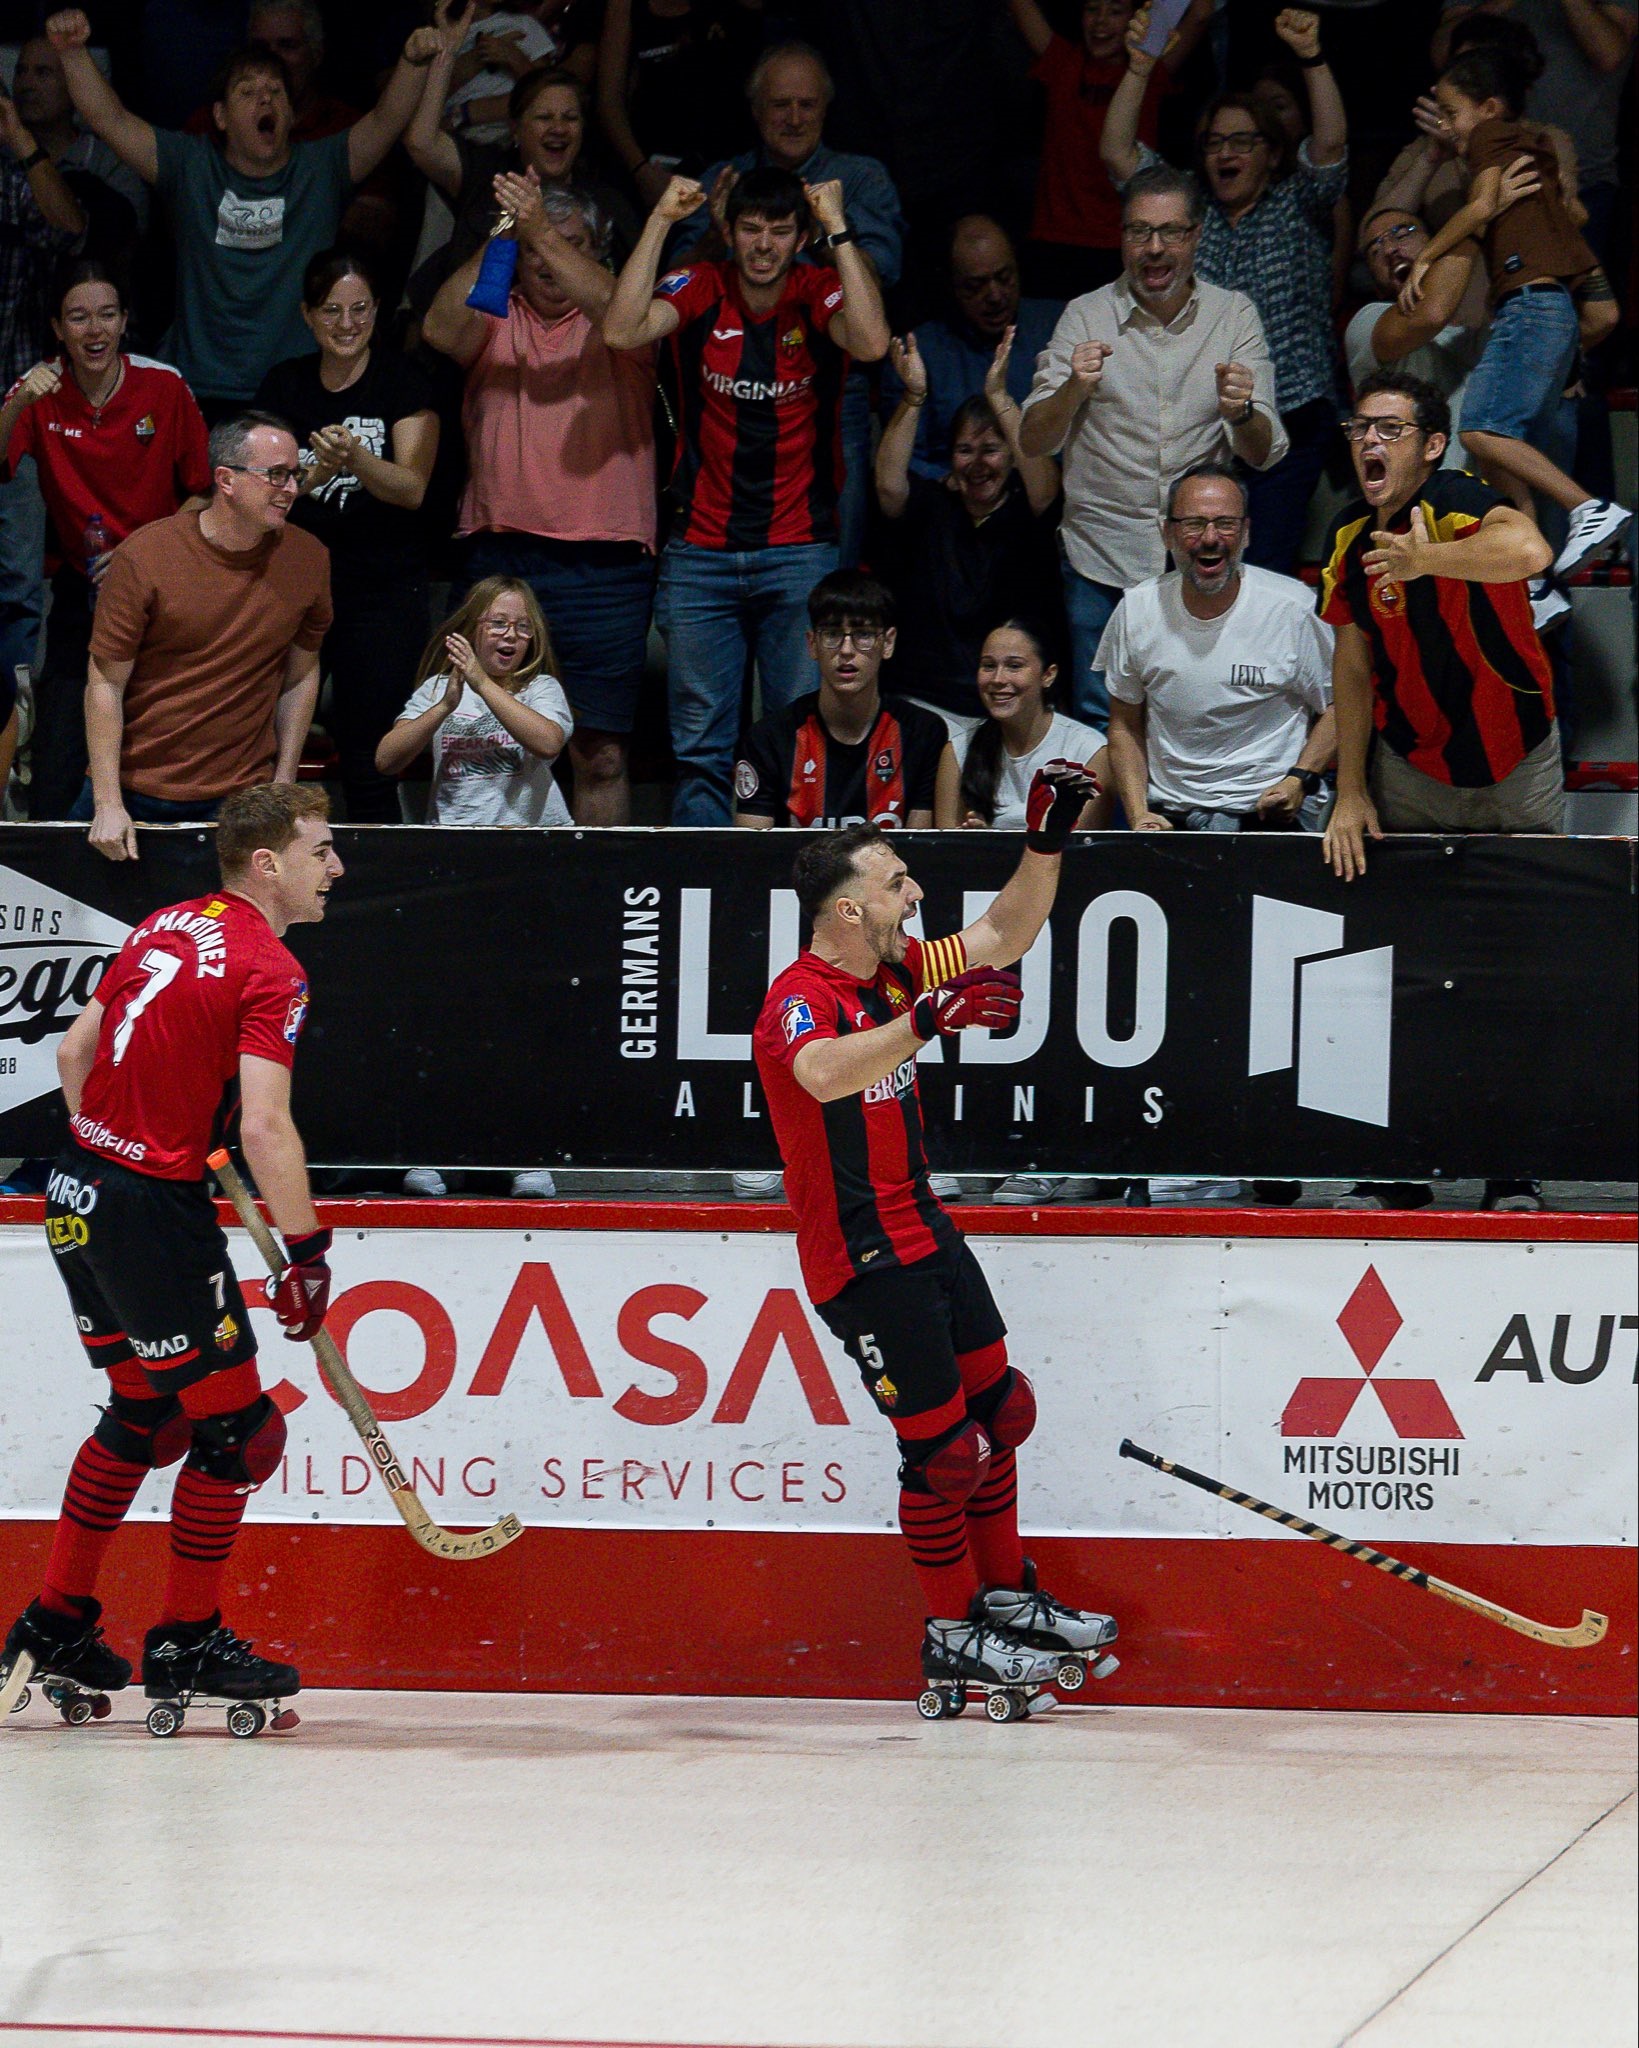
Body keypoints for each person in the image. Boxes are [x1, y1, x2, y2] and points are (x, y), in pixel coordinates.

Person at [753, 783, 1121, 1711]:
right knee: (945, 1455)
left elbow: (1001, 934)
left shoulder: (897, 971)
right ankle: (953, 1638)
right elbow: (821, 1073)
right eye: (896, 882)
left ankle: (1005, 1601)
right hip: (862, 1262)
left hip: (926, 1231)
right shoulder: (798, 1000)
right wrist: (926, 1022)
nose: (913, 893)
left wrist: (1045, 843)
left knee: (1003, 1412)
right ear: (849, 910)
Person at [0, 783, 342, 1728]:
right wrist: (306, 1253)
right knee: (241, 1434)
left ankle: (55, 1622)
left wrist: (111, 1157)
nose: (336, 867)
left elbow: (74, 1056)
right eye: (319, 851)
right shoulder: (271, 968)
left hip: (76, 1188)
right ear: (267, 864)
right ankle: (188, 1638)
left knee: (146, 1416)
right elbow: (265, 1127)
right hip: (147, 1213)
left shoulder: (163, 922)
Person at [1319, 369, 1554, 1212]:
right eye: (1360, 428)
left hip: (1514, 761)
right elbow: (1351, 667)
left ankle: (1511, 1171)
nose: (1369, 442)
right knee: (1403, 970)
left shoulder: (1456, 504)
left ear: (1429, 446)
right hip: (1410, 767)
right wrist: (1349, 790)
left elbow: (1529, 553)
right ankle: (1401, 1170)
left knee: (1512, 971)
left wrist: (1426, 560)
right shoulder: (1349, 536)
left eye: (1389, 429)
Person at [603, 167, 890, 826]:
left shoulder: (818, 292)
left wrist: (838, 227)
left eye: (780, 231)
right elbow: (620, 330)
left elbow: (873, 341)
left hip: (798, 550)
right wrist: (660, 220)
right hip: (700, 552)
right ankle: (705, 879)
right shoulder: (700, 286)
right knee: (701, 748)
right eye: (751, 229)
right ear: (729, 232)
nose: (763, 245)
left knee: (800, 739)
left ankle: (798, 879)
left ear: (800, 238)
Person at [44, 9, 439, 412]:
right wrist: (72, 52)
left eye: (276, 92)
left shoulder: (323, 166)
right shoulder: (190, 164)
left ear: (290, 114)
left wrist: (412, 63)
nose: (265, 99)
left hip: (295, 385)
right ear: (220, 115)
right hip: (197, 382)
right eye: (248, 92)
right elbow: (110, 119)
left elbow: (387, 120)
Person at [425, 170, 656, 827]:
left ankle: (591, 889)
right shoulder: (494, 316)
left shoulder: (625, 320)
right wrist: (506, 230)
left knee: (599, 754)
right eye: (534, 248)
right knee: (477, 743)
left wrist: (536, 231)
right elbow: (439, 328)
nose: (549, 260)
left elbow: (618, 310)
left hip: (604, 568)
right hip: (499, 559)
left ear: (597, 252)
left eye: (570, 244)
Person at [1019, 163, 1283, 729]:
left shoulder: (1232, 314)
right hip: (1100, 554)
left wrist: (1241, 412)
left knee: (1197, 712)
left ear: (1196, 236)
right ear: (1122, 237)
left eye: (1170, 232)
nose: (1154, 248)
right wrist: (1072, 389)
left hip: (1198, 555)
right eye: (1140, 232)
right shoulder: (1085, 315)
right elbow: (1033, 438)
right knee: (1099, 716)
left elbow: (1263, 451)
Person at [1102, 7, 1348, 576]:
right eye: (1214, 142)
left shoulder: (1299, 202)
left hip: (1290, 416)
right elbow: (1117, 153)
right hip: (1202, 424)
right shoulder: (1186, 208)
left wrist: (1311, 57)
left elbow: (1332, 144)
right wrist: (1138, 68)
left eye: (1241, 141)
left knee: (1262, 570)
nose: (1225, 154)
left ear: (1273, 151)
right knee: (1195, 572)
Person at [669, 41, 905, 569]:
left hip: (829, 385)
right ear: (756, 110)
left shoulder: (859, 178)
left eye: (807, 104)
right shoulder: (722, 179)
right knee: (719, 544)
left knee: (832, 561)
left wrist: (820, 230)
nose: (794, 118)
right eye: (781, 105)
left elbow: (877, 279)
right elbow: (670, 281)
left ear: (826, 108)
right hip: (723, 387)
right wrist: (716, 235)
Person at [1397, 45, 1629, 577]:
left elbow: (1481, 206)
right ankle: (1534, 580)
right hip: (1551, 313)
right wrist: (1564, 356)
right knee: (1496, 452)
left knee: (1481, 431)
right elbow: (1603, 309)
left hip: (1528, 308)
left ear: (1489, 108)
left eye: (1452, 112)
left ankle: (1588, 508)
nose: (1447, 126)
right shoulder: (1538, 155)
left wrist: (1426, 258)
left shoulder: (1489, 137)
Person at [0, 255, 211, 819]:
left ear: (124, 321)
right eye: (78, 317)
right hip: (83, 585)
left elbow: (207, 492)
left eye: (107, 314)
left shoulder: (164, 386)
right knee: (57, 764)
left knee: (157, 747)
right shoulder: (38, 389)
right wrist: (17, 403)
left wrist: (143, 553)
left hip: (162, 583)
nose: (94, 330)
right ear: (57, 327)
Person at [78, 410, 332, 859]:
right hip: (137, 790)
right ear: (226, 480)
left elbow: (302, 673)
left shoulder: (309, 558)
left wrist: (284, 782)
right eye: (276, 475)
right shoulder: (147, 555)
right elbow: (105, 681)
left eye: (296, 474)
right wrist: (108, 803)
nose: (291, 488)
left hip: (244, 798)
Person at [256, 249, 439, 824]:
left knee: (369, 756)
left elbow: (412, 488)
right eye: (331, 310)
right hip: (292, 591)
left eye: (360, 309)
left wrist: (355, 458)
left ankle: (372, 874)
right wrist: (314, 474)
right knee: (264, 746)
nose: (346, 323)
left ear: (378, 310)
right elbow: (260, 493)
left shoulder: (404, 382)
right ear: (307, 315)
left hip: (381, 596)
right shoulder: (284, 385)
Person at [1102, 460, 1335, 836]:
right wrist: (1138, 813)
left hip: (1273, 815)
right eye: (1194, 524)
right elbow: (1124, 723)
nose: (1210, 538)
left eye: (1225, 524)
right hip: (1169, 818)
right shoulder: (1137, 609)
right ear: (1167, 533)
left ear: (1246, 533)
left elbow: (1341, 707)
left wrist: (1299, 779)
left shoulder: (1293, 608)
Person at [876, 337, 1062, 726]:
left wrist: (998, 396)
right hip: (924, 699)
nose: (977, 464)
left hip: (1006, 701)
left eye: (990, 450)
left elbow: (1045, 485)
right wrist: (914, 397)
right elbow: (889, 484)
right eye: (965, 450)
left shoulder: (1026, 512)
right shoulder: (931, 506)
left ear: (1012, 458)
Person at [404, 41, 635, 312]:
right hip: (478, 328)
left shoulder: (607, 202)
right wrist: (444, 55)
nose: (558, 128)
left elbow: (632, 296)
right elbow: (421, 142)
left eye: (570, 118)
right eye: (544, 117)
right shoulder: (487, 175)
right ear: (515, 128)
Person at [1005, 0, 1210, 301]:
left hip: (1123, 244)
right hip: (1055, 239)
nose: (1101, 21)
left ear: (1136, 18)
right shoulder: (1063, 61)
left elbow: (1201, 12)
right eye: (1091, 9)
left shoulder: (1149, 67)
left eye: (1115, 11)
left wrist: (1157, 20)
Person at [0, 56, 87, 722]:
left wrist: (18, 138)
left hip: (17, 406)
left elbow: (69, 229)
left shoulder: (14, 182)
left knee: (18, 584)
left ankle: (14, 731)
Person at [733, 570, 945, 832]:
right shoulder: (768, 739)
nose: (846, 650)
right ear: (812, 644)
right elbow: (752, 849)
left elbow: (919, 848)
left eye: (863, 634)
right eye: (832, 634)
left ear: (888, 643)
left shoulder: (922, 733)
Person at [1433, 0, 1636, 264]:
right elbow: (1443, 54)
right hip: (1471, 167)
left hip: (1587, 175)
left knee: (1570, 279)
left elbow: (1610, 54)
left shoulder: (1554, 144)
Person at [376, 574, 572, 828]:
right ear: (471, 629)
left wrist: (481, 683)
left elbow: (548, 743)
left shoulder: (539, 687)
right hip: (455, 834)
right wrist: (445, 706)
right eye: (499, 623)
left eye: (524, 626)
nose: (511, 634)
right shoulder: (438, 688)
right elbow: (386, 760)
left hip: (530, 834)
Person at [877, 216, 1061, 485]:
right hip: (955, 496)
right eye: (975, 286)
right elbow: (907, 460)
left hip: (1050, 493)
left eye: (1005, 277)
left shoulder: (1058, 327)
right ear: (951, 285)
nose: (995, 296)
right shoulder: (917, 353)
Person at [595, 0, 763, 206]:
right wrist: (640, 170)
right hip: (655, 162)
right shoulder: (626, 6)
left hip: (729, 161)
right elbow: (609, 100)